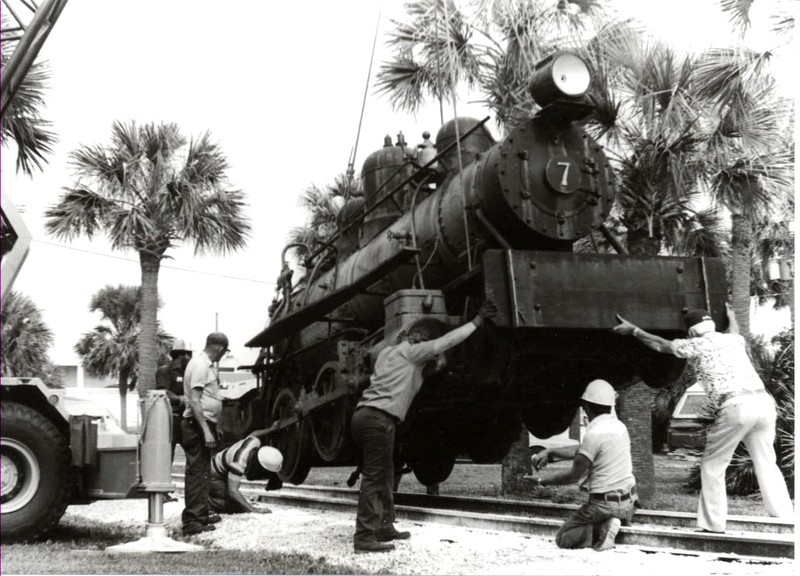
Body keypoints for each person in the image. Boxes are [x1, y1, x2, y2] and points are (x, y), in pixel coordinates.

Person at [613, 308, 794, 533]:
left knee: (712, 466)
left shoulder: (695, 345)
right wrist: (731, 316)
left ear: (691, 333)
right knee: (767, 463)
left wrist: (635, 330)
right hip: (764, 404)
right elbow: (734, 329)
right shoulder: (733, 340)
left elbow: (660, 345)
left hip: (736, 406)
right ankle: (785, 517)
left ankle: (713, 525)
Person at [351, 299, 498, 554]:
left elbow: (420, 370)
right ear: (414, 338)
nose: (423, 341)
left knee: (385, 474)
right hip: (378, 419)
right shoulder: (412, 352)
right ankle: (364, 537)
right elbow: (446, 342)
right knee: (376, 478)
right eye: (420, 338)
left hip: (365, 416)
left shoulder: (389, 354)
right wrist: (476, 321)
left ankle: (385, 525)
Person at [530, 379, 636, 551]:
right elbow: (585, 450)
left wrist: (543, 481)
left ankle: (601, 529)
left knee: (563, 538)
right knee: (610, 510)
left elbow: (573, 475)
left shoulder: (593, 434)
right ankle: (615, 521)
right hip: (628, 504)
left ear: (586, 406)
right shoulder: (619, 428)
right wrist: (551, 452)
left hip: (604, 506)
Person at [180, 331, 229, 536]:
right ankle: (192, 521)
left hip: (203, 424)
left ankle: (200, 513)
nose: (223, 355)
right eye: (224, 352)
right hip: (196, 425)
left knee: (203, 473)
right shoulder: (200, 365)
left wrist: (213, 424)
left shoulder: (203, 364)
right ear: (219, 348)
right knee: (197, 473)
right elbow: (194, 399)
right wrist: (206, 430)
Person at [208, 436, 283, 514]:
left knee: (239, 502)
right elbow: (233, 491)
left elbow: (255, 433)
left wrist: (271, 428)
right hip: (212, 475)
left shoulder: (254, 441)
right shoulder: (239, 463)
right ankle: (204, 502)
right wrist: (253, 509)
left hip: (218, 466)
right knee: (235, 506)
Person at [155, 339, 192, 459]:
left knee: (193, 452)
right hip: (170, 419)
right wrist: (181, 399)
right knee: (166, 455)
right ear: (181, 355)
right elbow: (162, 392)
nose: (190, 358)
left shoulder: (189, 372)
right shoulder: (165, 371)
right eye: (188, 355)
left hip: (187, 419)